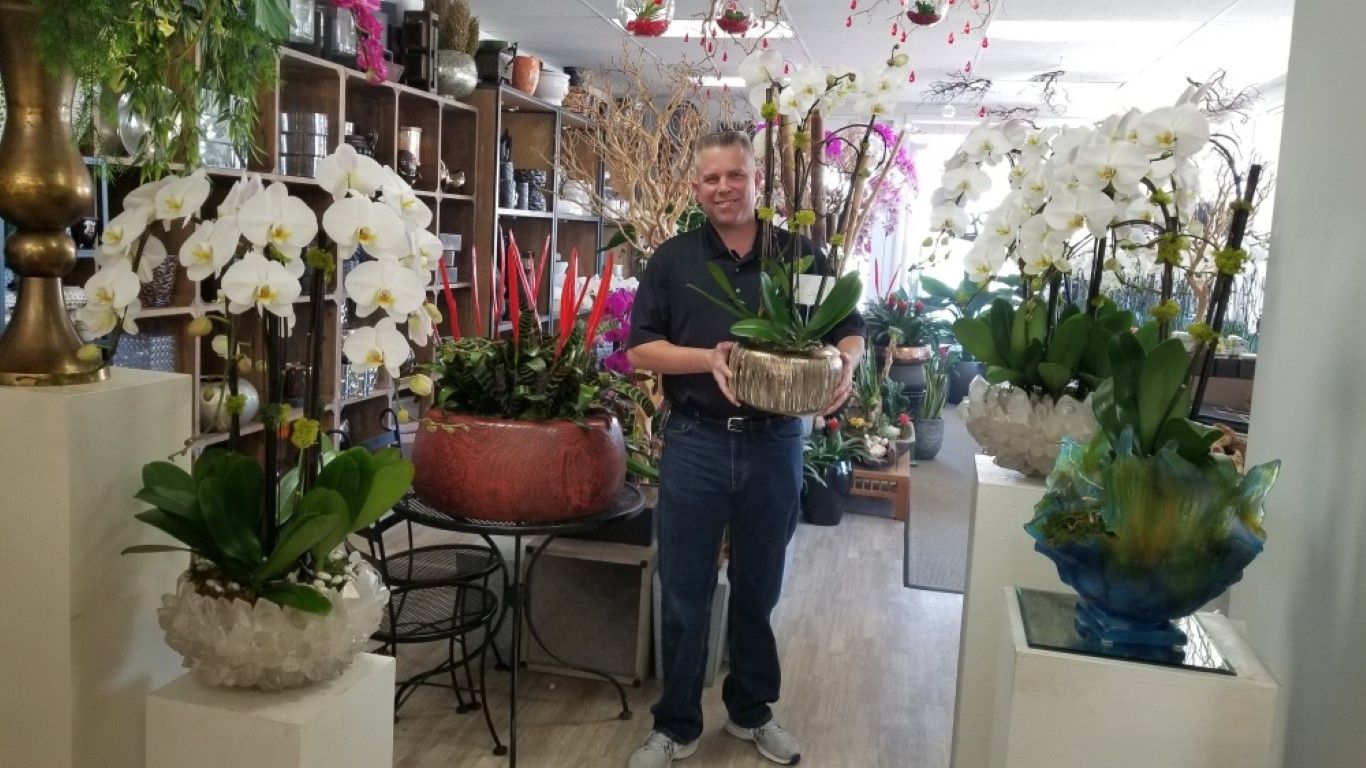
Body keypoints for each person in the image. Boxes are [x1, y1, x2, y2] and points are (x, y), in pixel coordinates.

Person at [625, 130, 865, 767]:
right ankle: (675, 724)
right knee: (683, 588)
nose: (724, 188)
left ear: (758, 181)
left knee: (760, 584)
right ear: (695, 188)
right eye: (711, 179)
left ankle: (750, 711)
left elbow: (849, 330)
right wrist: (706, 358)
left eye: (735, 175)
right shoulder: (673, 261)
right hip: (695, 442)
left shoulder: (799, 257)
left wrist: (845, 367)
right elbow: (640, 348)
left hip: (774, 444)